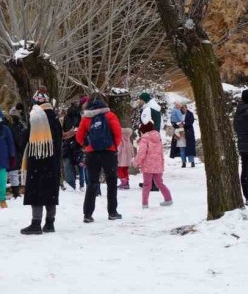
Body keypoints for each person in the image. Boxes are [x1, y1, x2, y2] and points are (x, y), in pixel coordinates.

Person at [20, 92, 64, 234]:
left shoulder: (36, 115)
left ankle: (36, 223)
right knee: (51, 192)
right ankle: (50, 223)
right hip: (53, 161)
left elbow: (27, 138)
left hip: (38, 160)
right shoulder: (54, 117)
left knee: (37, 191)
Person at [75, 94, 123, 223]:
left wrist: (88, 145)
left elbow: (79, 137)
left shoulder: (86, 118)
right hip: (109, 152)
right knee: (111, 182)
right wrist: (112, 145)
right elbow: (118, 134)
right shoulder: (110, 115)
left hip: (92, 154)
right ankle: (112, 212)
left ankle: (87, 214)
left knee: (92, 183)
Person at [133, 121, 173, 207]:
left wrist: (136, 163)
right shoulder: (158, 138)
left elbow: (141, 153)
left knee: (147, 185)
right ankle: (168, 199)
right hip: (158, 165)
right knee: (159, 183)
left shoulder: (144, 140)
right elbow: (161, 153)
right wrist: (162, 163)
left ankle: (145, 204)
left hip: (148, 166)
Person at [61, 100, 87, 190]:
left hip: (67, 144)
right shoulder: (79, 116)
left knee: (69, 166)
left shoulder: (67, 116)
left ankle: (71, 186)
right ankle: (82, 184)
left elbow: (64, 129)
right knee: (81, 167)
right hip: (77, 144)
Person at [7, 104, 28, 198]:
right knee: (14, 172)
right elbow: (19, 140)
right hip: (15, 151)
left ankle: (14, 192)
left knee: (9, 173)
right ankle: (16, 193)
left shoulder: (7, 125)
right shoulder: (19, 125)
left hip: (8, 151)